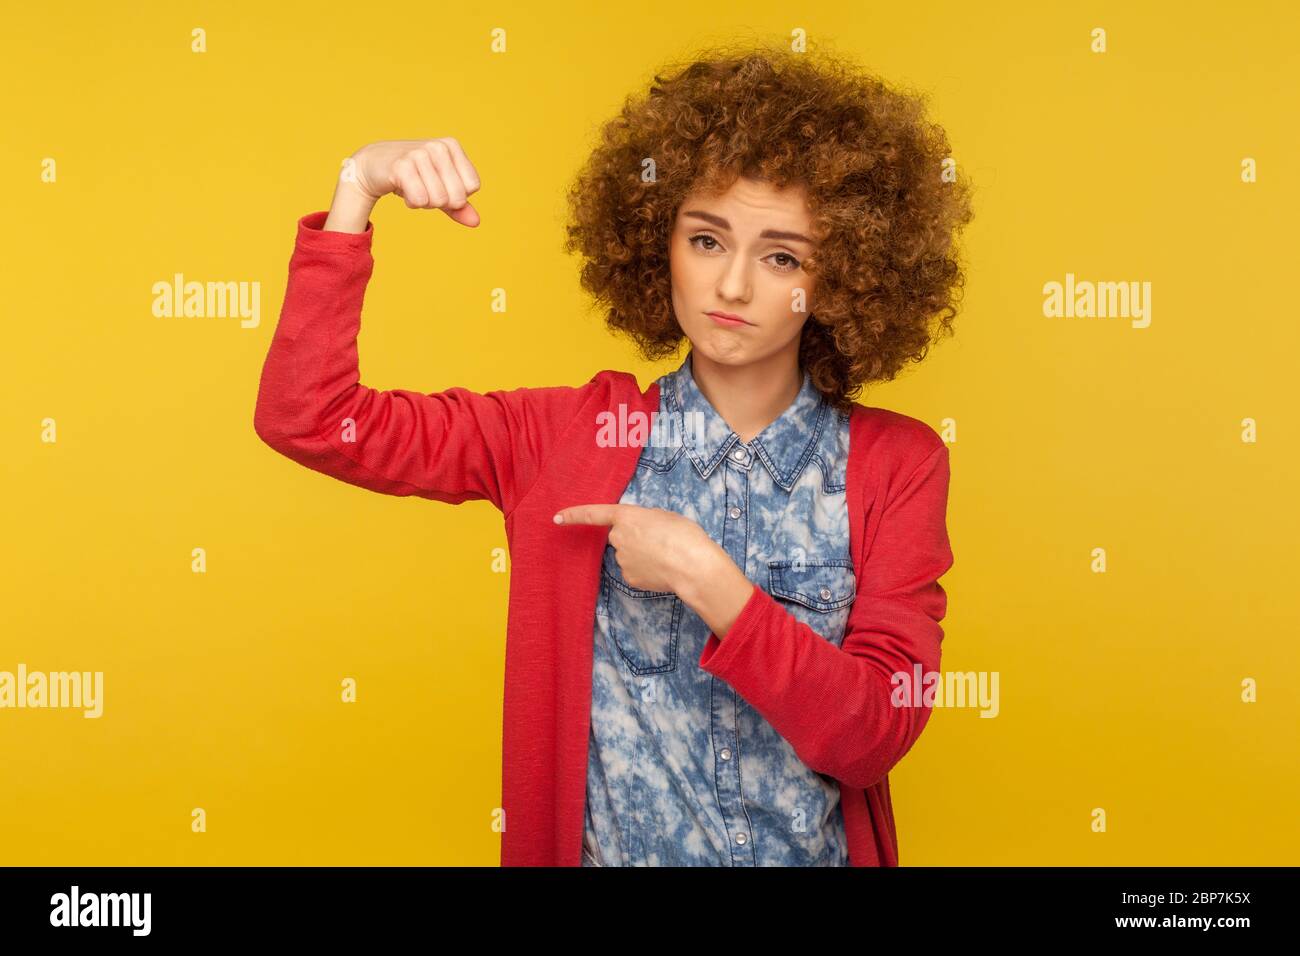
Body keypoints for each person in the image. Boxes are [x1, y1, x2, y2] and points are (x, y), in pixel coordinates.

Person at [254, 41, 974, 866]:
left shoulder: (896, 465)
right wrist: (358, 186)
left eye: (782, 258)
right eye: (706, 241)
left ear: (843, 276)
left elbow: (871, 735)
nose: (732, 286)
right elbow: (309, 417)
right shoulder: (562, 440)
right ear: (656, 240)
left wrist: (711, 583)